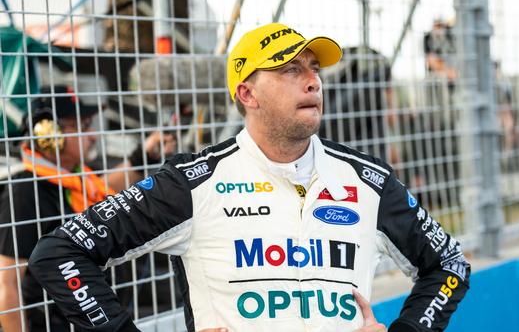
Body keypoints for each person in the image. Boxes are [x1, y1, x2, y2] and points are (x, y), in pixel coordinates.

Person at [28, 23, 471, 331]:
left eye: (314, 68)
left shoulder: (370, 181)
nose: (312, 81)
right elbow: (59, 253)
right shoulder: (192, 182)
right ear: (247, 93)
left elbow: (449, 265)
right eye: (290, 70)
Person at [0, 85, 175, 331]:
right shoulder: (25, 192)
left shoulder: (75, 177)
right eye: (82, 126)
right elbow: (6, 286)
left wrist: (143, 155)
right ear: (49, 136)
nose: (92, 135)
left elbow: (103, 192)